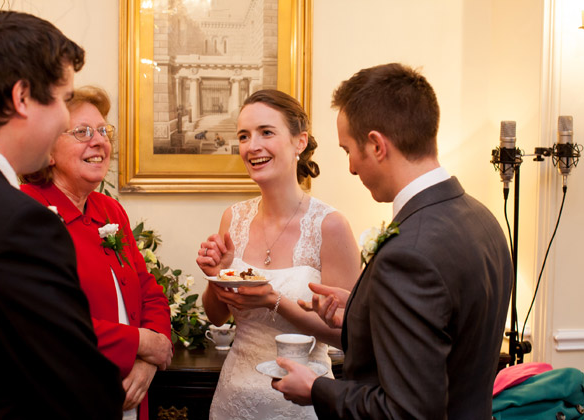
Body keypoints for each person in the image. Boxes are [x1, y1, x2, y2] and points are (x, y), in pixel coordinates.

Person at [272, 63, 513, 419]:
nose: (352, 167)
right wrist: (362, 309)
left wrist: (317, 389)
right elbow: (446, 333)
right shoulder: (482, 218)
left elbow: (407, 412)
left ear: (376, 145)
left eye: (348, 150)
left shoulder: (409, 254)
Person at [0, 11, 125, 419]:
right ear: (22, 97)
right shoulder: (18, 223)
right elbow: (81, 393)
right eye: (65, 100)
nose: (68, 119)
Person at [196, 89, 361, 419]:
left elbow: (351, 338)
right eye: (244, 136)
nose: (252, 146)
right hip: (234, 398)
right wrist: (217, 275)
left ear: (299, 142)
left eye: (266, 132)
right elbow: (216, 317)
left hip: (303, 404)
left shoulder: (330, 226)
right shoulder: (234, 218)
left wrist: (274, 300)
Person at [20, 86, 173, 420]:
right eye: (82, 132)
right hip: (66, 397)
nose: (100, 141)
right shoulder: (26, 211)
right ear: (47, 149)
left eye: (104, 131)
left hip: (129, 394)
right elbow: (47, 324)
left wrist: (147, 362)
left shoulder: (110, 210)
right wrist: (142, 344)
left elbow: (150, 291)